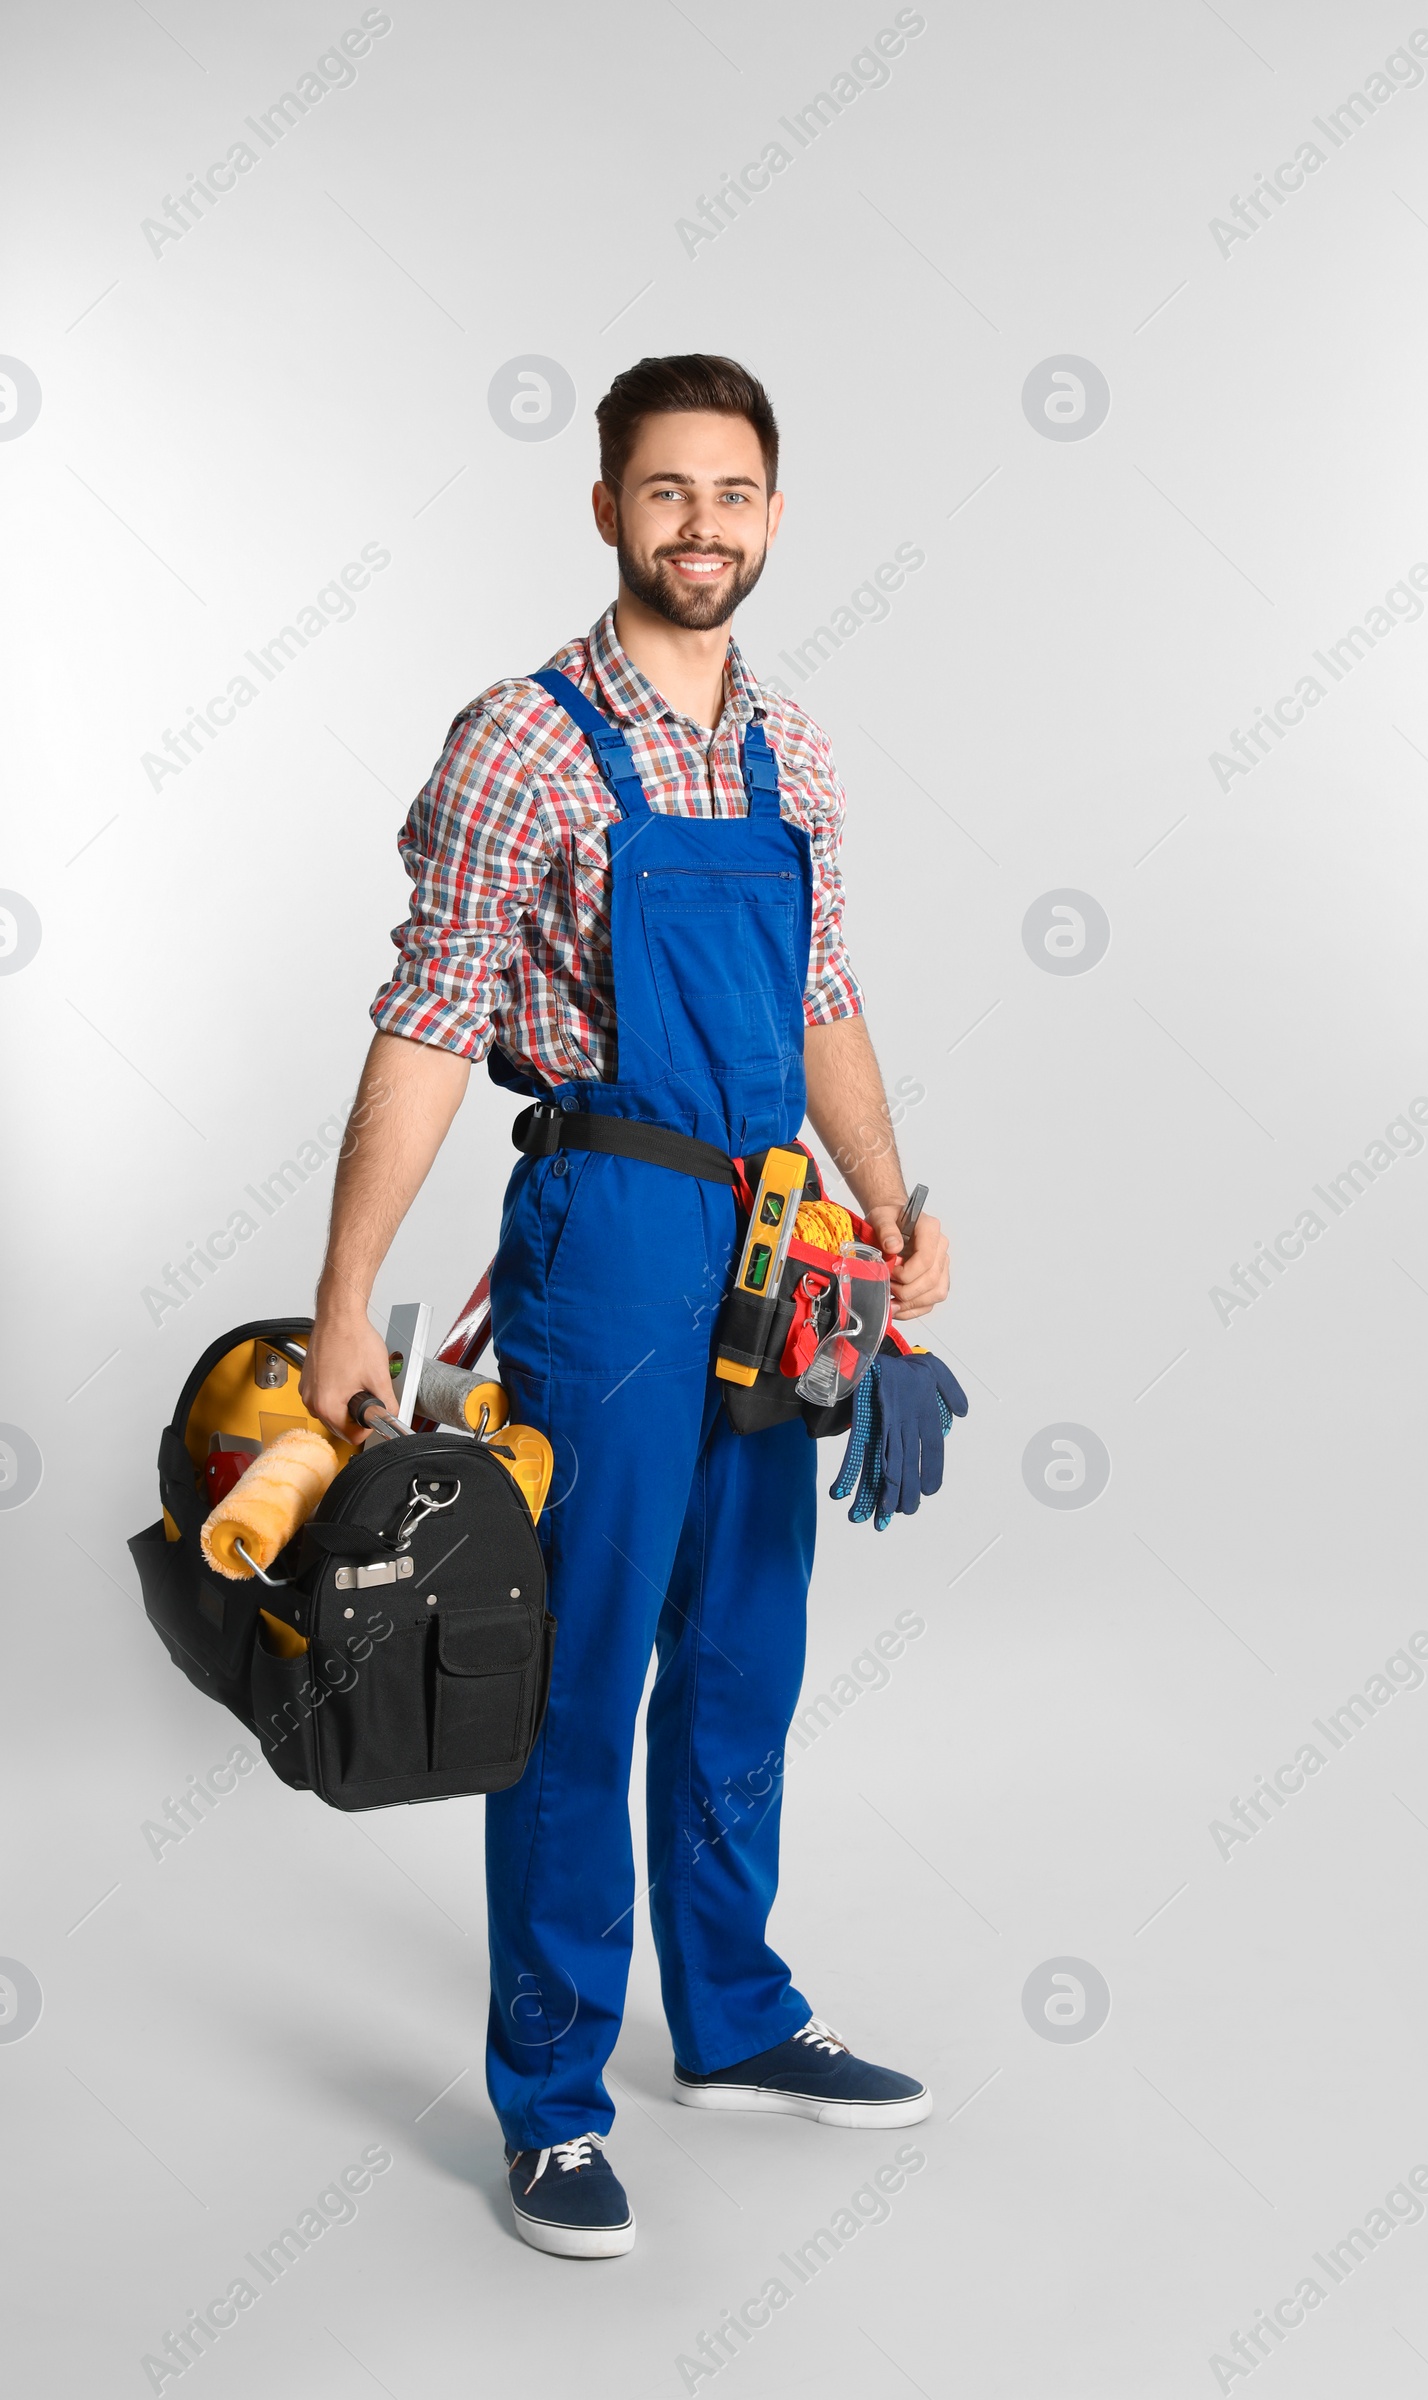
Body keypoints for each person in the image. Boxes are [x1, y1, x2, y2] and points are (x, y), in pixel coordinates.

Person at [301, 353, 952, 2259]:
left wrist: (892, 1207)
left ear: (773, 513)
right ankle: (554, 2098)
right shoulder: (526, 737)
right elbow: (428, 1024)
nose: (702, 527)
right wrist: (347, 1298)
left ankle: (733, 2020)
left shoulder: (798, 751)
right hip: (611, 1245)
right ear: (606, 510)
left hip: (777, 1252)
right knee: (576, 1673)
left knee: (745, 1652)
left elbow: (823, 999)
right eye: (665, 493)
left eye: (734, 493)